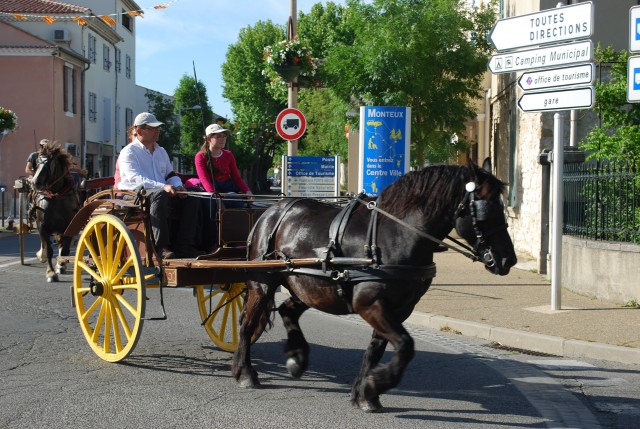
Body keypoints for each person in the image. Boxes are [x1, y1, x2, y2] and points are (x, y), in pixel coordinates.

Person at [117, 112, 202, 259]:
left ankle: (185, 245)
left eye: (158, 128)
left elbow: (170, 175)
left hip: (159, 192)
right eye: (152, 128)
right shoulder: (128, 152)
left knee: (192, 195)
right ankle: (161, 247)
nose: (157, 131)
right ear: (139, 131)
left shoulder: (161, 151)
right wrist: (162, 187)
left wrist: (179, 186)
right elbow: (135, 179)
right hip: (134, 194)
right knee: (159, 195)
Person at [194, 124, 252, 251]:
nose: (222, 139)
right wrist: (215, 196)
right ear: (209, 139)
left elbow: (236, 177)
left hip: (227, 188)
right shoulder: (201, 156)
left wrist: (246, 190)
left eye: (224, 136)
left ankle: (235, 240)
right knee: (211, 206)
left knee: (236, 200)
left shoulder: (228, 155)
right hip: (211, 190)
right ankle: (212, 242)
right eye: (218, 136)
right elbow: (205, 179)